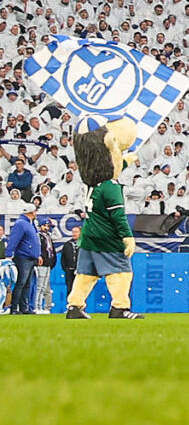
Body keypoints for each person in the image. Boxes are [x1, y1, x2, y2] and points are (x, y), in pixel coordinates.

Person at [64, 121, 140, 321]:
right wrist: (127, 236)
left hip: (89, 235)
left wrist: (125, 161)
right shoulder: (111, 187)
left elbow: (109, 166)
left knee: (85, 274)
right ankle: (120, 307)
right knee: (121, 272)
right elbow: (118, 216)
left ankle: (74, 306)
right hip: (107, 237)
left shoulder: (90, 184)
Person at [6, 200, 38, 314]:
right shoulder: (21, 223)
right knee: (21, 283)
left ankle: (24, 308)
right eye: (35, 211)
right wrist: (8, 254)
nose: (36, 213)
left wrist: (38, 254)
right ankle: (14, 308)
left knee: (27, 284)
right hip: (23, 257)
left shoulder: (30, 224)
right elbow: (14, 239)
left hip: (30, 257)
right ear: (31, 212)